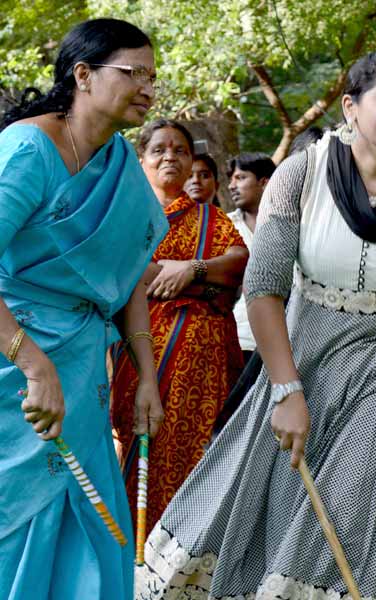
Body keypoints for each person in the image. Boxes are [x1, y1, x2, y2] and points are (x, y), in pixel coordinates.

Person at [136, 49, 376, 599]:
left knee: (352, 500)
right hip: (303, 352)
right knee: (272, 504)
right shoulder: (303, 172)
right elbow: (263, 287)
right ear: (351, 107)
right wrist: (286, 388)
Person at [0, 19, 167, 598]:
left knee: (93, 530)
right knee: (20, 531)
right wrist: (33, 365)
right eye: (134, 73)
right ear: (83, 75)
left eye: (153, 76)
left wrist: (146, 375)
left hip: (84, 380)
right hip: (16, 375)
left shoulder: (118, 163)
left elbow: (126, 281)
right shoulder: (27, 150)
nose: (148, 87)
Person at [110, 119, 248, 532]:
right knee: (142, 445)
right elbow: (129, 272)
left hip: (205, 364)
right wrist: (169, 275)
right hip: (140, 356)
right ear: (141, 160)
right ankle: (138, 554)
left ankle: (188, 556)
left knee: (202, 459)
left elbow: (238, 262)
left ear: (192, 163)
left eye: (180, 150)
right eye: (159, 150)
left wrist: (193, 269)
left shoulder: (209, 217)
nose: (170, 157)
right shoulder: (124, 216)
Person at [227, 152, 275, 361]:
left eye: (240, 178)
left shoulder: (293, 224)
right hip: (241, 340)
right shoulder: (225, 226)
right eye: (231, 179)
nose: (231, 186)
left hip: (291, 338)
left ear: (264, 182)